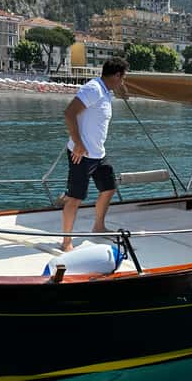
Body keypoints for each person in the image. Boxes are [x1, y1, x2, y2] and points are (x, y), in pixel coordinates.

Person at [60, 57, 128, 251]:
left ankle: (98, 227)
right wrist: (79, 144)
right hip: (81, 154)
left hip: (98, 154)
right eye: (123, 78)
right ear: (116, 75)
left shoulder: (106, 92)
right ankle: (66, 242)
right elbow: (69, 113)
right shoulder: (93, 89)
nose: (123, 82)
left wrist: (120, 89)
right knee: (75, 197)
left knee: (109, 187)